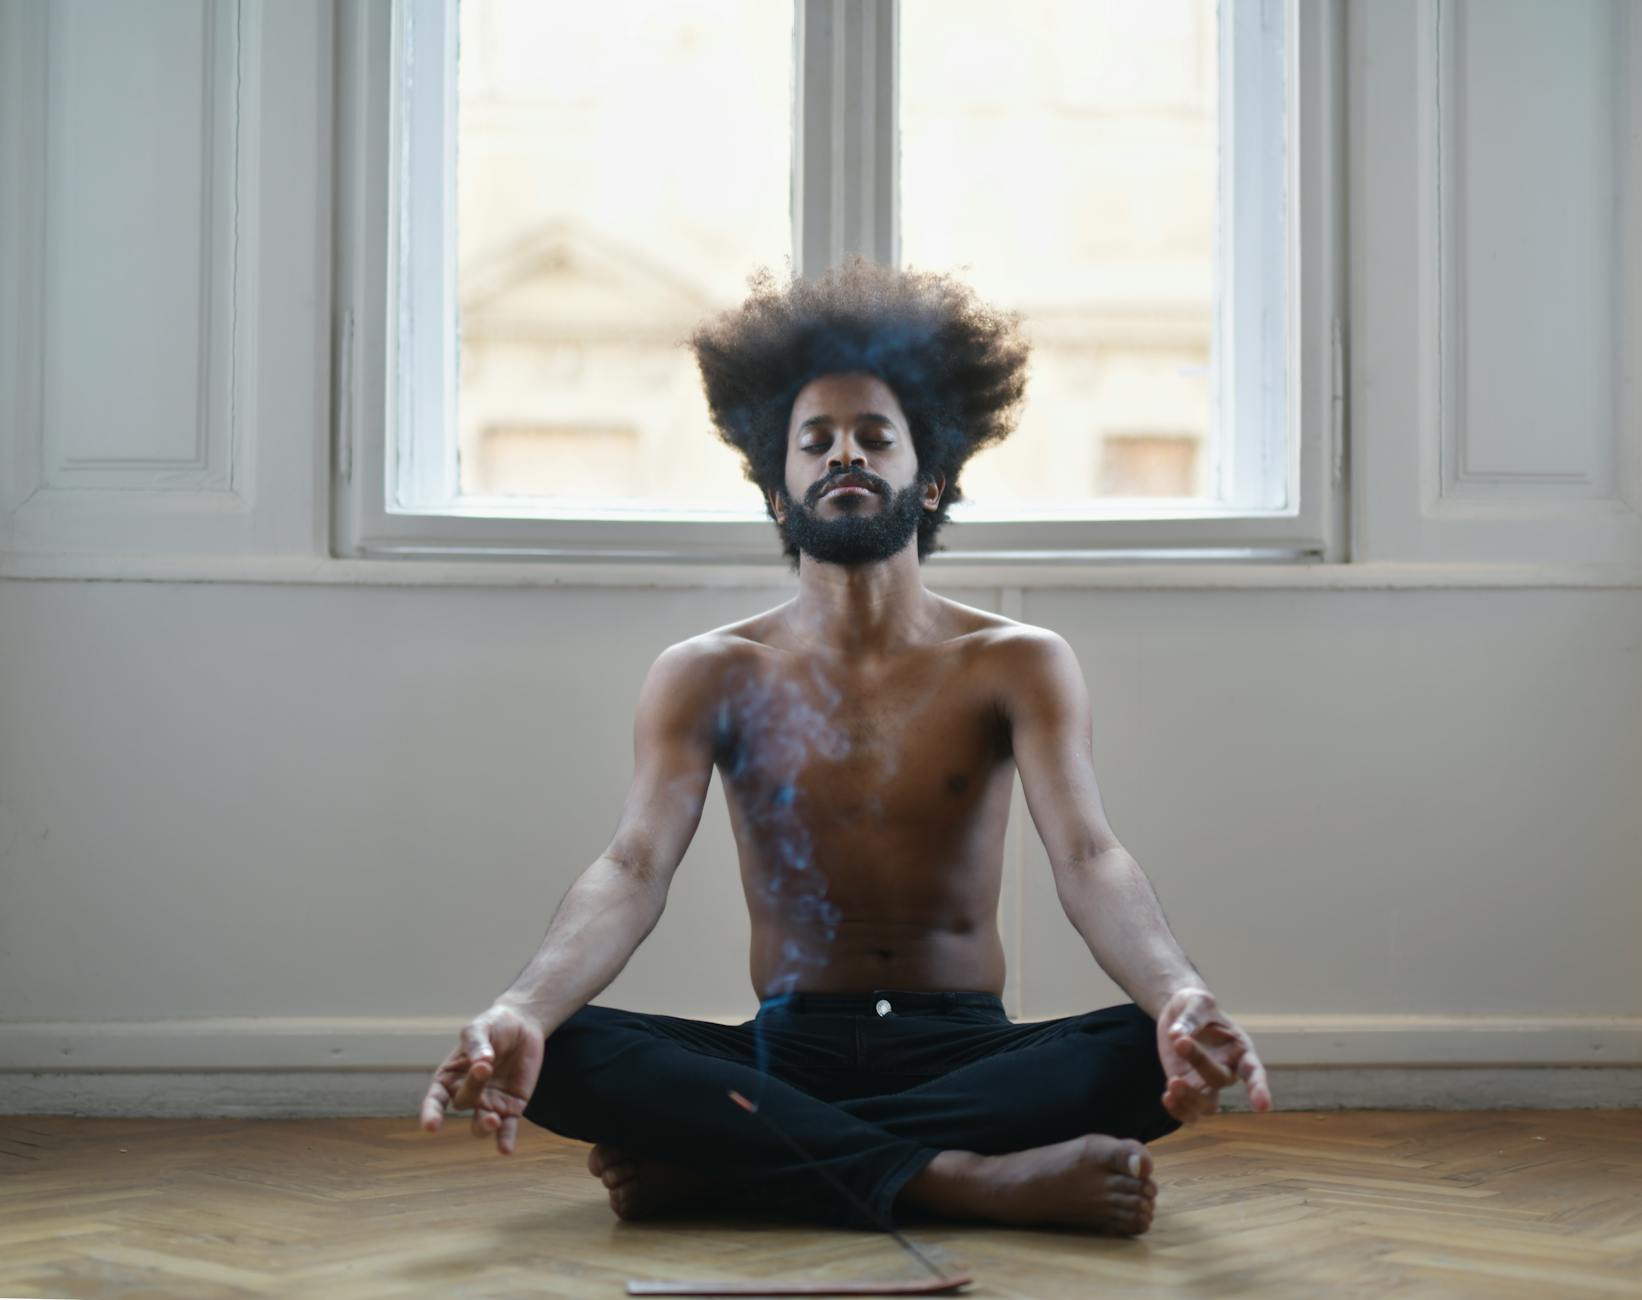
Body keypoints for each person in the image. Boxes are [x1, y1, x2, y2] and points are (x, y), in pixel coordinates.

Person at [419, 257, 1272, 1236]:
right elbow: (633, 863)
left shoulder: (1019, 663)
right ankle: (959, 1180)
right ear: (779, 495)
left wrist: (1175, 994)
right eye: (814, 440)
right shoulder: (706, 671)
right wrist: (523, 1006)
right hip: (787, 1046)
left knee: (1135, 1049)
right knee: (563, 1048)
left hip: (963, 1047)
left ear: (932, 475)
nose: (843, 455)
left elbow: (1088, 855)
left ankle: (737, 1170)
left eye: (875, 435)